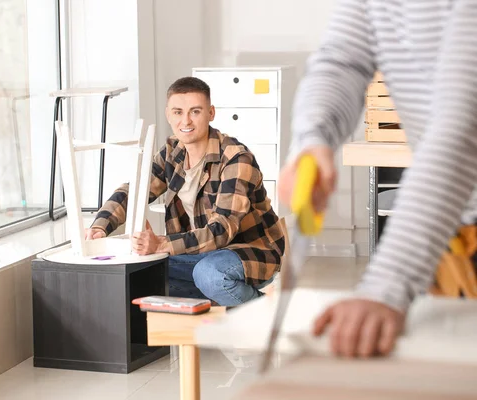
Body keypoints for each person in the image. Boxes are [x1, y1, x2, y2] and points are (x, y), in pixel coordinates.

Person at [279, 0, 477, 358]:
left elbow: (464, 126)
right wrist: (313, 139)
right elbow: (341, 61)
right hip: (458, 236)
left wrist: (385, 286)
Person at [86, 76, 286, 306]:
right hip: (200, 254)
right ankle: (231, 306)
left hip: (250, 253)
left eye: (195, 111)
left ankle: (265, 313)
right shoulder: (173, 152)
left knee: (209, 275)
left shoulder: (236, 158)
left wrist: (161, 244)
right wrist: (100, 226)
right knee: (141, 275)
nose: (186, 121)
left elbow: (221, 230)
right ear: (168, 114)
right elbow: (135, 190)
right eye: (178, 112)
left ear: (211, 113)